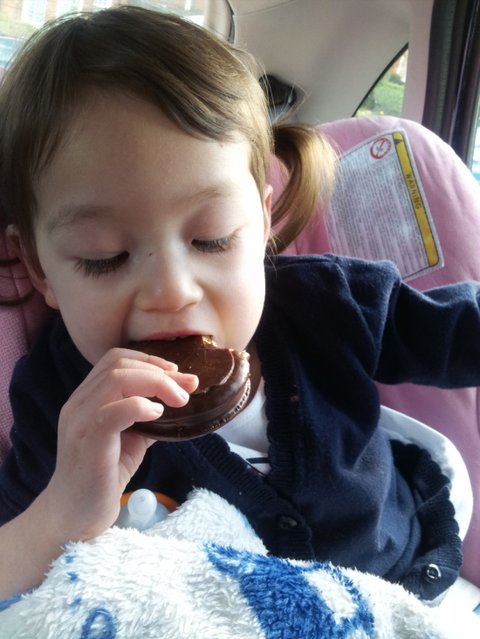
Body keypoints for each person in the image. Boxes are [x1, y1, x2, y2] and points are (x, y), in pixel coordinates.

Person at [0, 6, 477, 604]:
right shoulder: (60, 403)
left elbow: (457, 332)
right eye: (104, 257)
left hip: (407, 577)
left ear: (262, 221)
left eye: (213, 239)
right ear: (40, 267)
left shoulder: (329, 304)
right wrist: (60, 511)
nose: (173, 291)